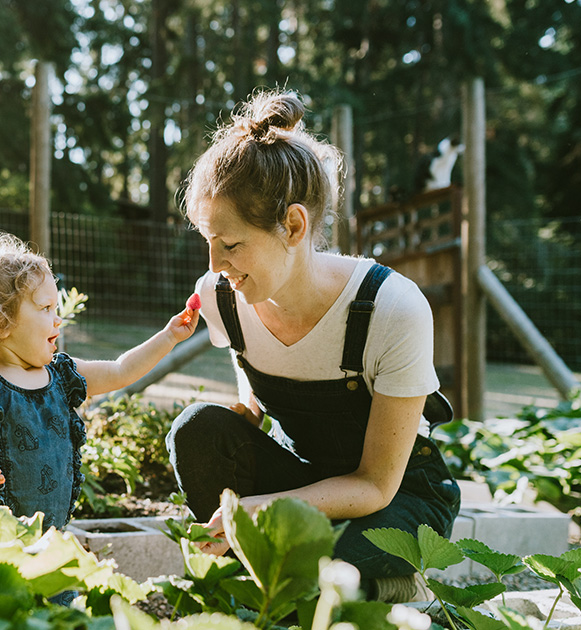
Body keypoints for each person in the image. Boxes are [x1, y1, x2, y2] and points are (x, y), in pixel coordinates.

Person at [166, 89, 461, 604]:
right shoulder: (223, 298)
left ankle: (386, 582)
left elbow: (374, 485)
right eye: (207, 241)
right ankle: (279, 580)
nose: (215, 265)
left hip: (395, 501)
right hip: (308, 479)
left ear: (294, 226)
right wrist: (242, 425)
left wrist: (269, 510)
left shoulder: (391, 307)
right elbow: (255, 391)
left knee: (316, 556)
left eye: (231, 244)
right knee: (197, 428)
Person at [0, 231, 199, 533]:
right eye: (45, 309)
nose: (58, 320)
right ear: (0, 323)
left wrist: (170, 336)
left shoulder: (61, 375)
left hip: (52, 531)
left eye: (56, 308)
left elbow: (122, 371)